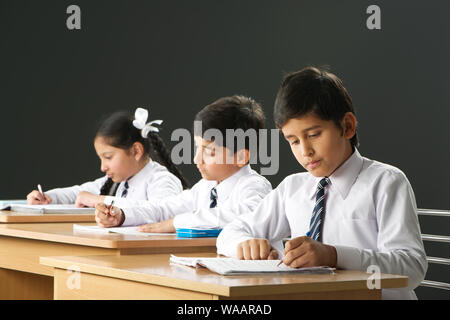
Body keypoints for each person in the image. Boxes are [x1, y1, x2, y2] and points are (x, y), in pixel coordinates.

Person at [216, 67, 427, 300]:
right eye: (294, 141)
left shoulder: (385, 183)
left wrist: (334, 256)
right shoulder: (292, 188)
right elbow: (229, 233)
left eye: (314, 134)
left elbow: (412, 267)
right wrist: (243, 244)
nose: (305, 151)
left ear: (347, 126)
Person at [94, 95, 272, 232]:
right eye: (196, 148)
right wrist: (123, 215)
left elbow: (243, 215)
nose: (196, 159)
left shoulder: (254, 187)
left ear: (240, 157)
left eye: (209, 151)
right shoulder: (205, 188)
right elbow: (163, 208)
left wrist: (177, 223)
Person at [27, 108, 187, 207]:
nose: (103, 167)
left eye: (108, 157)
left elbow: (160, 210)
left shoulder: (162, 180)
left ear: (136, 151)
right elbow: (79, 193)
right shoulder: (116, 182)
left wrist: (99, 200)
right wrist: (49, 197)